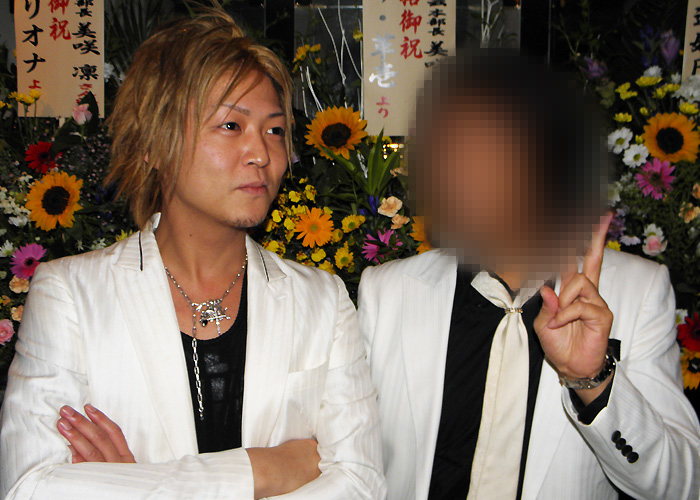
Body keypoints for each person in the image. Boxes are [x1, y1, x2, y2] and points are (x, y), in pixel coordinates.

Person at [0, 9, 385, 500]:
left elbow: (362, 483)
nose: (262, 154)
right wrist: (261, 470)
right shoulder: (72, 294)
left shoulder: (322, 300)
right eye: (231, 125)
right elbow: (30, 487)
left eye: (274, 130)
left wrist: (135, 483)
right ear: (155, 144)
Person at [358, 50, 700, 500]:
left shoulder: (636, 292)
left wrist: (593, 381)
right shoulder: (388, 291)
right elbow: (351, 459)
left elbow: (683, 485)